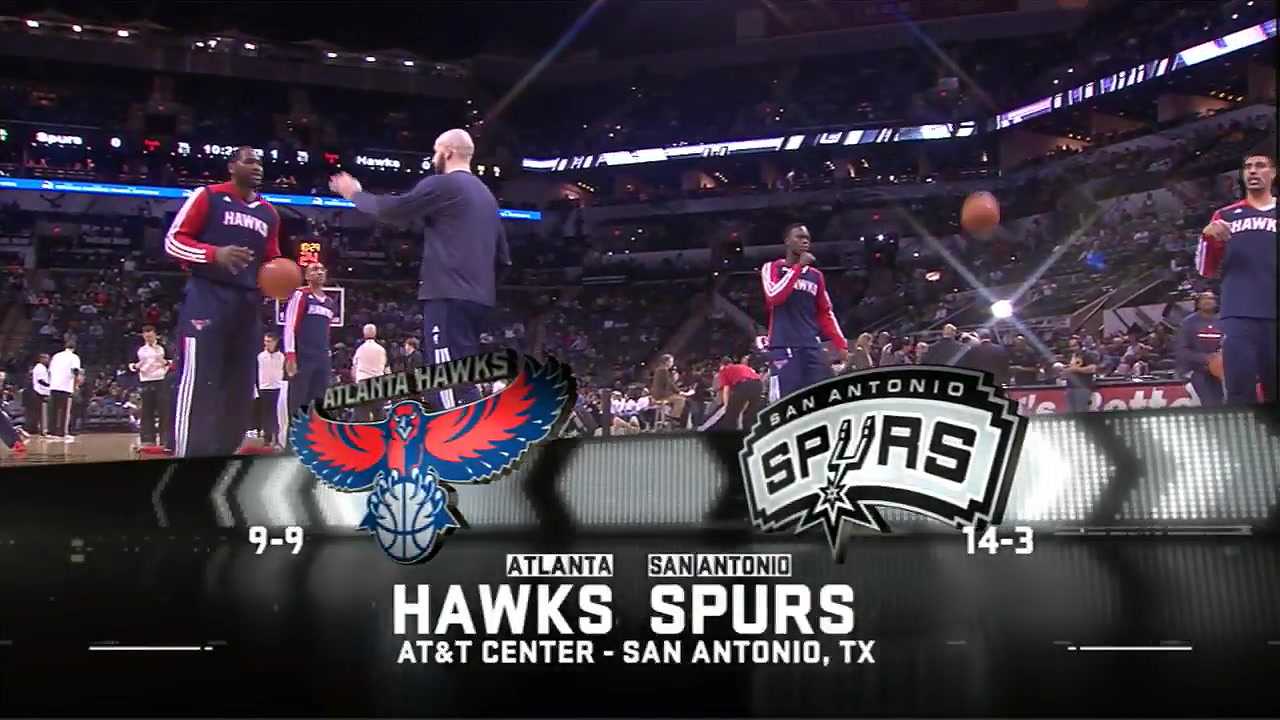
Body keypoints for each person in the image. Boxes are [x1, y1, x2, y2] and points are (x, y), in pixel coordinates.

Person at [329, 128, 512, 409]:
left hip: (448, 294)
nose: (433, 157)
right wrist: (479, 288)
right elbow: (503, 258)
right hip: (478, 298)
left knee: (446, 377)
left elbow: (392, 209)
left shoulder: (445, 185)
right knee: (465, 375)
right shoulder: (487, 197)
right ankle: (476, 430)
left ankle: (458, 433)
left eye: (436, 151)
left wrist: (354, 194)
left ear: (448, 152)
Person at [165, 146, 281, 457]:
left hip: (248, 305)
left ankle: (222, 458)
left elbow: (271, 262)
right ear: (232, 167)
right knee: (199, 382)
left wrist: (284, 278)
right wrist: (214, 254)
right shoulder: (208, 196)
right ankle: (187, 460)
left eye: (260, 163)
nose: (257, 167)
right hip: (208, 296)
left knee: (240, 391)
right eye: (249, 161)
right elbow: (173, 241)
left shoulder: (269, 213)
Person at [1197, 151, 1277, 404]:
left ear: (1273, 173)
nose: (1253, 171)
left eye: (1260, 165)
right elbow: (1204, 269)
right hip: (1238, 312)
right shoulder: (1225, 216)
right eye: (1248, 166)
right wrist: (1207, 237)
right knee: (1239, 389)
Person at [759, 223, 848, 398]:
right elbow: (774, 296)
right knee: (787, 401)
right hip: (783, 345)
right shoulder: (772, 268)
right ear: (787, 241)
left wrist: (840, 342)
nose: (805, 241)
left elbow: (825, 312)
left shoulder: (816, 276)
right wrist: (797, 268)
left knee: (818, 398)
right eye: (799, 237)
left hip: (811, 346)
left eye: (807, 238)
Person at [283, 263, 337, 415]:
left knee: (319, 402)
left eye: (322, 269)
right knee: (298, 401)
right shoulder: (301, 294)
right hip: (303, 355)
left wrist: (327, 352)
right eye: (314, 270)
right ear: (306, 276)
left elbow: (326, 331)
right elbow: (290, 325)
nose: (319, 272)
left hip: (322, 357)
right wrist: (290, 355)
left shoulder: (330, 303)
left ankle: (316, 430)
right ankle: (295, 430)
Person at [1176, 291, 1225, 407]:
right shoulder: (1188, 323)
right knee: (1208, 403)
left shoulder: (1222, 322)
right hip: (1197, 372)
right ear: (1198, 303)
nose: (1208, 301)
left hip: (1220, 372)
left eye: (1211, 298)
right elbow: (1182, 351)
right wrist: (1206, 358)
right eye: (1204, 298)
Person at [130, 325, 169, 450]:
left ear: (155, 335)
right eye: (146, 337)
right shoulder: (139, 349)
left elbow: (173, 362)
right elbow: (131, 365)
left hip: (161, 380)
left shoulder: (164, 347)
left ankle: (165, 438)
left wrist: (164, 362)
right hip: (145, 380)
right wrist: (136, 366)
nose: (149, 338)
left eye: (151, 336)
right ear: (143, 336)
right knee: (147, 410)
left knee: (163, 410)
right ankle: (148, 438)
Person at [700, 356, 765, 431]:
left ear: (722, 365)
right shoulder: (742, 366)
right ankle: (750, 431)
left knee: (731, 415)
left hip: (744, 384)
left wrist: (726, 405)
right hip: (758, 384)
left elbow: (726, 389)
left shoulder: (724, 370)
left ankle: (731, 432)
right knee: (750, 413)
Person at [351, 323, 390, 422]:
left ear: (364, 334)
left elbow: (354, 368)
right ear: (375, 333)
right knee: (379, 413)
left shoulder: (360, 350)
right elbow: (385, 368)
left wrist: (356, 382)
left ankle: (361, 431)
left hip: (363, 382)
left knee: (361, 414)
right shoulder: (381, 350)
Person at [47, 337, 81, 442]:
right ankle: (62, 432)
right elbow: (75, 370)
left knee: (53, 410)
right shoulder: (74, 357)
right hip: (66, 386)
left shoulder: (56, 356)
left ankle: (51, 431)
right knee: (64, 411)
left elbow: (50, 371)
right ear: (74, 348)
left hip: (54, 386)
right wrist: (76, 382)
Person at [256, 333, 285, 447]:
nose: (266, 343)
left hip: (277, 387)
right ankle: (267, 438)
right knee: (265, 413)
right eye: (265, 341)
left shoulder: (281, 356)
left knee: (276, 414)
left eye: (269, 341)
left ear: (275, 342)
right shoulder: (260, 356)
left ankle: (277, 438)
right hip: (264, 387)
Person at [1060, 335, 1099, 413]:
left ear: (1080, 345)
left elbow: (1092, 368)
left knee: (1081, 411)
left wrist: (1076, 369)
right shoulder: (1072, 356)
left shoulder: (1087, 354)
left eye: (1074, 346)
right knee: (1070, 413)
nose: (1072, 348)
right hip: (1070, 387)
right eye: (1071, 346)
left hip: (1082, 387)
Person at [26, 353, 50, 438]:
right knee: (40, 412)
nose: (47, 360)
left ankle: (37, 429)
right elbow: (40, 380)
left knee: (37, 412)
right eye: (46, 358)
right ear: (41, 359)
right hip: (38, 391)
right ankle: (40, 430)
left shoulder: (41, 367)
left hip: (40, 392)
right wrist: (50, 385)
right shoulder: (40, 367)